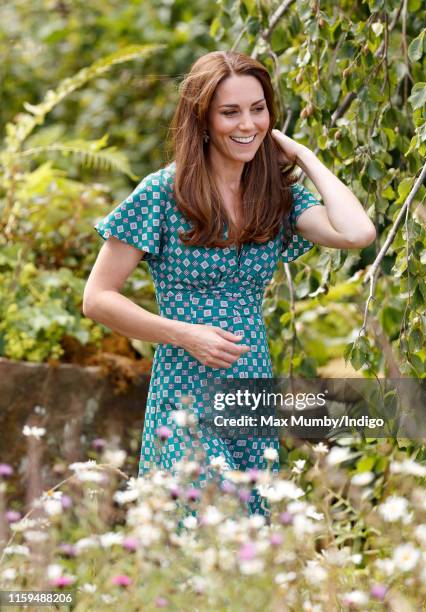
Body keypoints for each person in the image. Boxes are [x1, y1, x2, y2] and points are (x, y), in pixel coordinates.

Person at [83, 51, 375, 520]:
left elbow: (357, 232)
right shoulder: (162, 193)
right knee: (191, 528)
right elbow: (96, 298)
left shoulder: (275, 196)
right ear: (202, 119)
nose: (247, 124)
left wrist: (303, 155)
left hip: (248, 381)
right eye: (230, 112)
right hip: (185, 383)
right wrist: (184, 334)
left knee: (248, 534)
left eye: (258, 109)